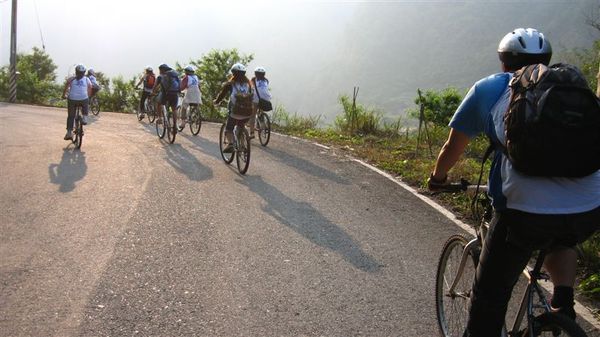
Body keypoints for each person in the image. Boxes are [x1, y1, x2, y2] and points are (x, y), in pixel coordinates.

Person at [427, 28, 600, 337]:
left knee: (489, 298)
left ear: (503, 62)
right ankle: (563, 303)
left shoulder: (489, 89)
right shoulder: (571, 84)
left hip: (523, 211)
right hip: (589, 205)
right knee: (563, 236)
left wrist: (437, 179)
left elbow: (452, 147)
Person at [213, 63, 253, 153]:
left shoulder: (230, 84)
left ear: (233, 73)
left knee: (229, 128)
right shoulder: (249, 84)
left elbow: (222, 95)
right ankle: (242, 145)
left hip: (235, 111)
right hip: (247, 112)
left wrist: (216, 101)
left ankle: (230, 144)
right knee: (241, 125)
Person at [62, 64, 92, 140]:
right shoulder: (86, 79)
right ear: (84, 73)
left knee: (71, 116)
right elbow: (90, 87)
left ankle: (69, 133)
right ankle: (85, 118)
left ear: (76, 72)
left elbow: (66, 87)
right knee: (86, 101)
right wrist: (88, 96)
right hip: (83, 99)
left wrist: (63, 95)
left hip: (72, 99)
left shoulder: (71, 79)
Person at [249, 66, 272, 138]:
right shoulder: (266, 80)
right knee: (260, 109)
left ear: (255, 74)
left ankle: (252, 133)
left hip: (256, 98)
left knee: (252, 116)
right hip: (266, 98)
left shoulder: (253, 79)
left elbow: (250, 87)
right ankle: (262, 122)